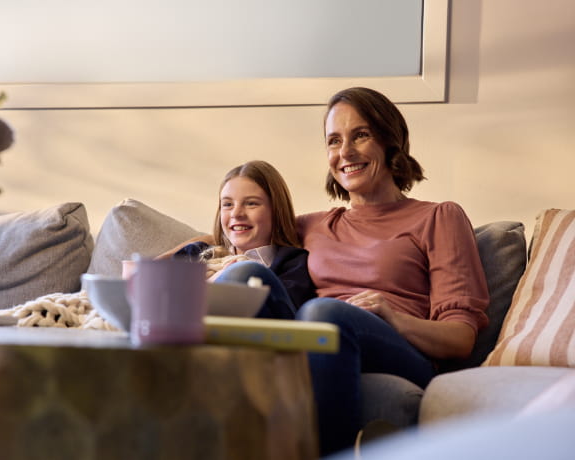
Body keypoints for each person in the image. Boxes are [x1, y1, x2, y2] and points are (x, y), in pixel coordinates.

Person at [295, 87, 490, 455]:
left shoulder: (438, 217)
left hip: (401, 350)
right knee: (243, 282)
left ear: (390, 142)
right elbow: (228, 230)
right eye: (334, 141)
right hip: (319, 339)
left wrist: (394, 317)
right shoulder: (310, 226)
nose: (345, 152)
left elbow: (460, 338)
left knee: (323, 313)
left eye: (361, 135)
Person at [169, 160, 315, 319]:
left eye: (251, 203)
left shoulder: (292, 263)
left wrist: (233, 275)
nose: (236, 213)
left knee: (248, 271)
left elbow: (288, 317)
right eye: (227, 204)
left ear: (276, 211)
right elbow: (159, 295)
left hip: (254, 337)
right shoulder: (195, 253)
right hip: (185, 333)